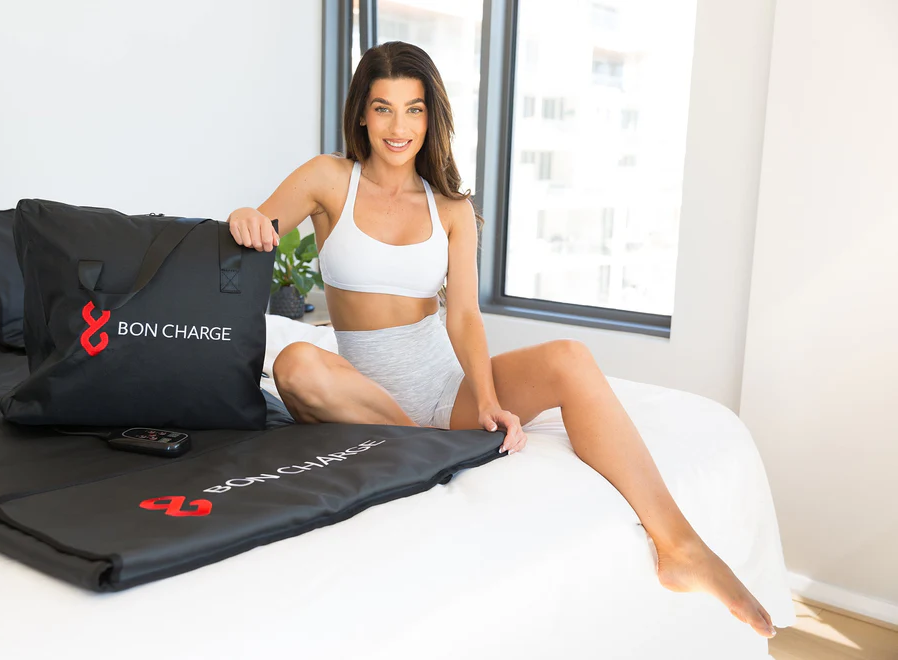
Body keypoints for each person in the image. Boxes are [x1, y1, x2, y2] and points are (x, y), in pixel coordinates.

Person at [226, 41, 777, 639]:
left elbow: (463, 317)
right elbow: (253, 233)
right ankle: (427, 449)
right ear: (362, 113)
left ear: (431, 117)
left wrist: (486, 400)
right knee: (299, 362)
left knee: (570, 357)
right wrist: (243, 218)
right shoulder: (330, 180)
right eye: (383, 108)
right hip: (360, 395)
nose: (398, 126)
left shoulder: (451, 209)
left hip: (442, 393)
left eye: (414, 109)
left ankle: (681, 545)